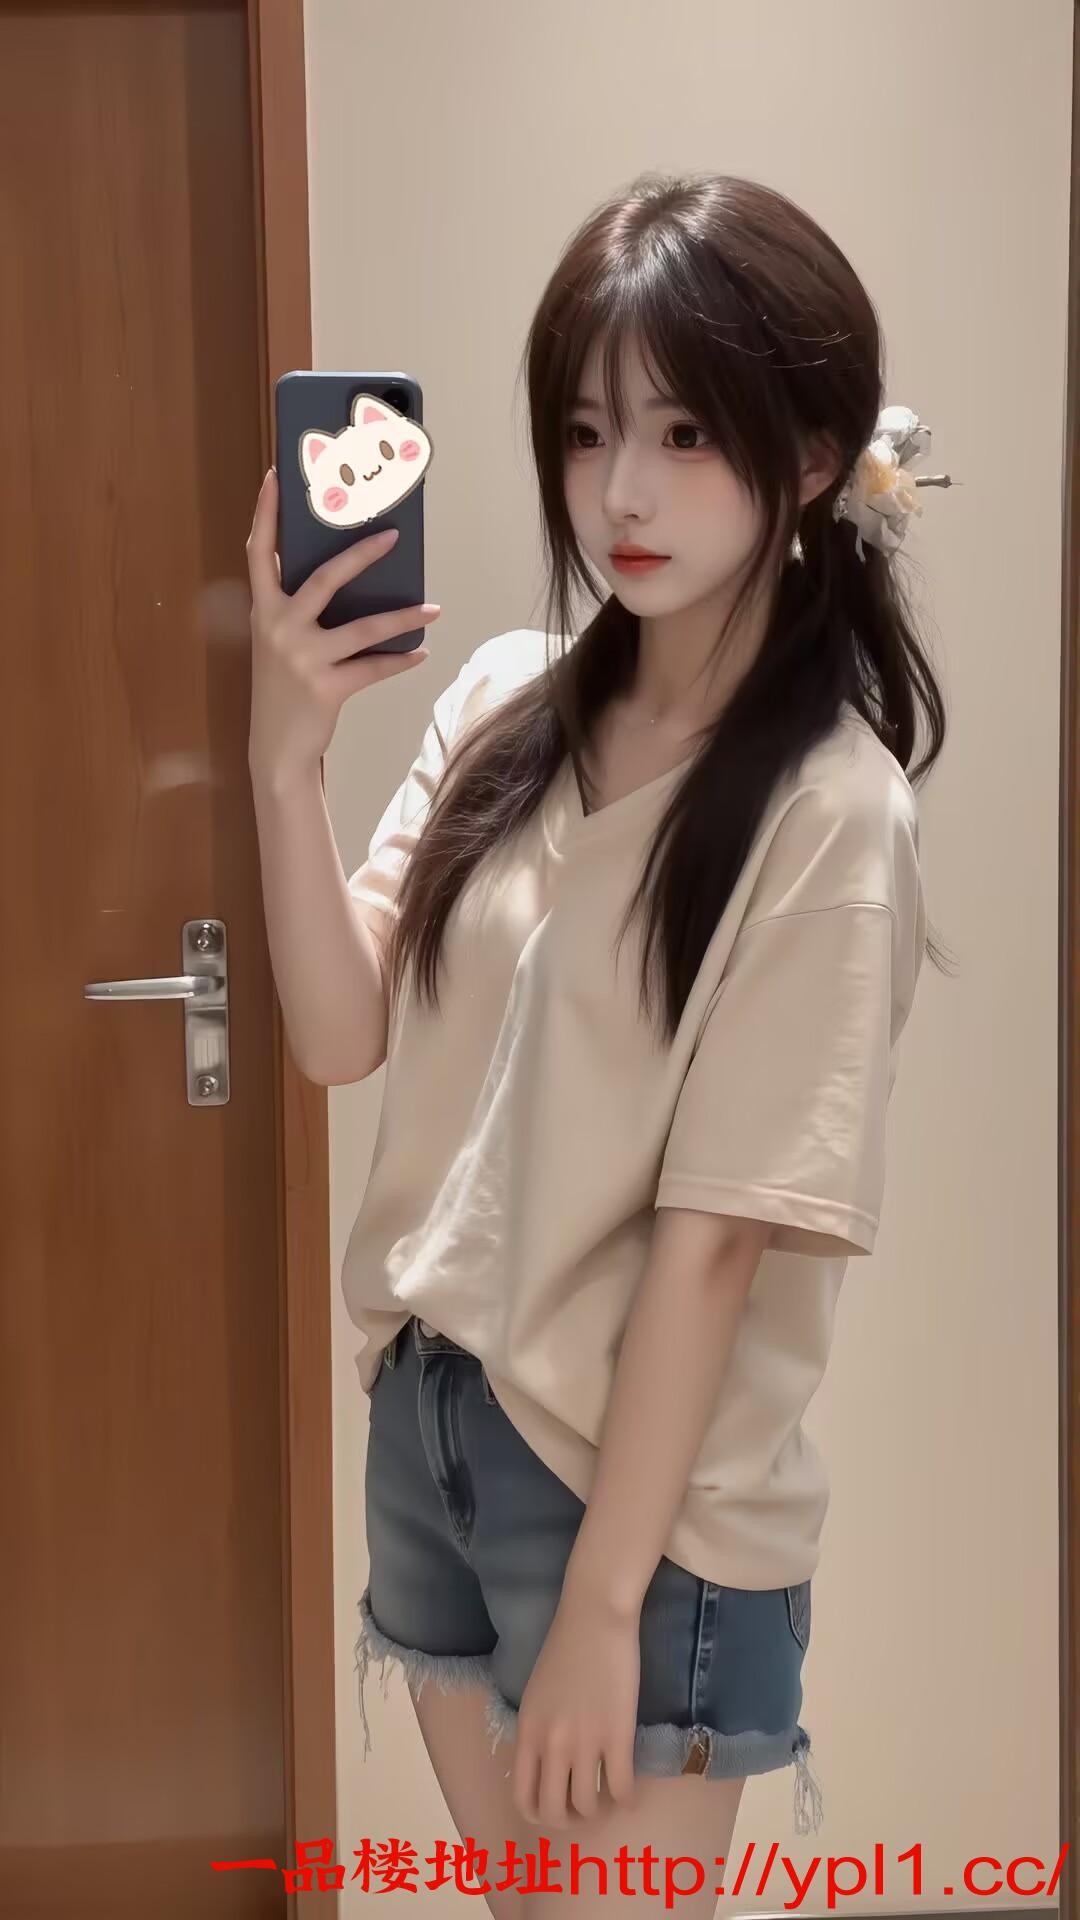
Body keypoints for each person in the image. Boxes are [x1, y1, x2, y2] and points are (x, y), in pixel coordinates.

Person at [246, 171, 946, 1913]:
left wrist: (606, 1608)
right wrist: (285, 757)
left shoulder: (828, 807)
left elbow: (716, 1245)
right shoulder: (504, 698)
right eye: (585, 431)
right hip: (436, 1430)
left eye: (685, 433)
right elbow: (335, 1033)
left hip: (637, 1507)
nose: (620, 491)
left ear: (810, 455)